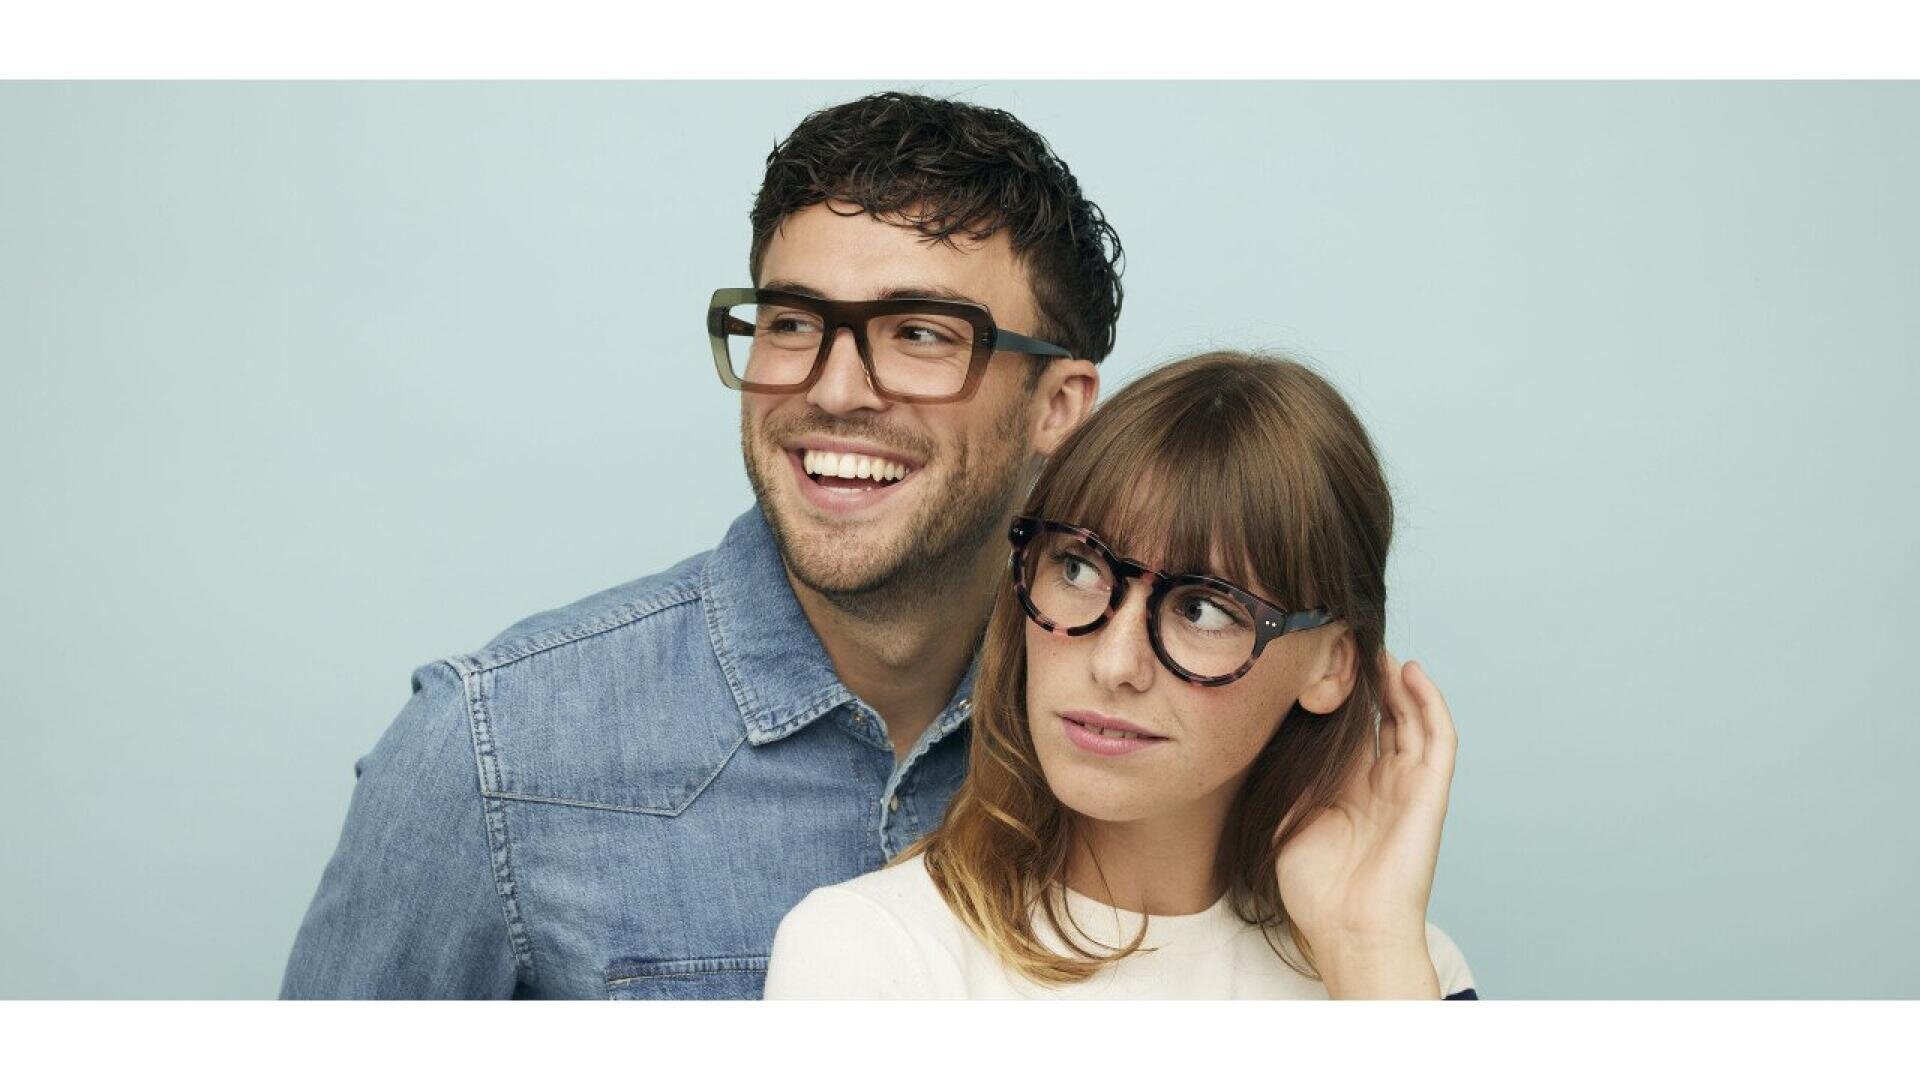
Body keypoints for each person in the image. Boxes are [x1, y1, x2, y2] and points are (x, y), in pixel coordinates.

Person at [280, 91, 1119, 998]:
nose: (834, 390)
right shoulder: (488, 755)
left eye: (919, 333)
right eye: (793, 322)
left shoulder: (1142, 738)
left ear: (1058, 409)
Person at [763, 351, 1478, 999]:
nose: (1113, 664)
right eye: (1078, 569)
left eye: (1202, 609)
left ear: (1330, 664)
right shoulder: (870, 954)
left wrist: (1368, 952)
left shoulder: (1404, 971)